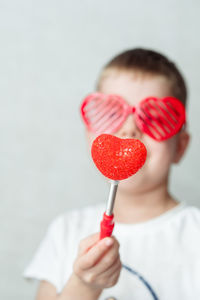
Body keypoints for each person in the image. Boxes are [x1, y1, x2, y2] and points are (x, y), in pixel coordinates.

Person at [23, 48, 200, 300]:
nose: (129, 130)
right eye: (111, 113)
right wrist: (85, 286)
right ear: (89, 134)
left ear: (180, 147)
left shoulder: (195, 235)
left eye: (154, 118)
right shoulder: (66, 231)